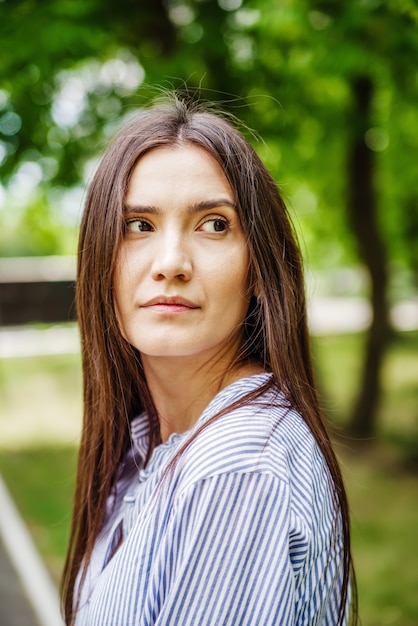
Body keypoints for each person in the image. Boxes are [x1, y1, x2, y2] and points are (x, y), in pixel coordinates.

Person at [61, 95, 357, 625]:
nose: (171, 263)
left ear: (260, 268)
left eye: (215, 224)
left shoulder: (237, 465)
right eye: (138, 225)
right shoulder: (148, 444)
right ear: (98, 258)